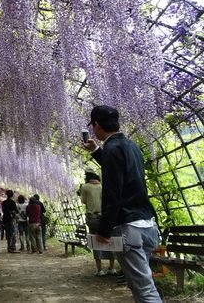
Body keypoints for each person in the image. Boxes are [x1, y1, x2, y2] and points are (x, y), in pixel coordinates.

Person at [83, 105, 161, 303]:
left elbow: (113, 193)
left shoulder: (111, 149)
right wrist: (96, 151)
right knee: (141, 286)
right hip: (147, 225)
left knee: (145, 290)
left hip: (129, 228)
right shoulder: (130, 146)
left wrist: (104, 229)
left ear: (96, 125)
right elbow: (123, 172)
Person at [79, 168, 117, 276]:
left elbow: (83, 201)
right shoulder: (102, 186)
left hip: (92, 218)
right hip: (104, 217)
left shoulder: (85, 187)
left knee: (95, 241)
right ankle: (112, 267)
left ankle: (100, 270)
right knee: (108, 240)